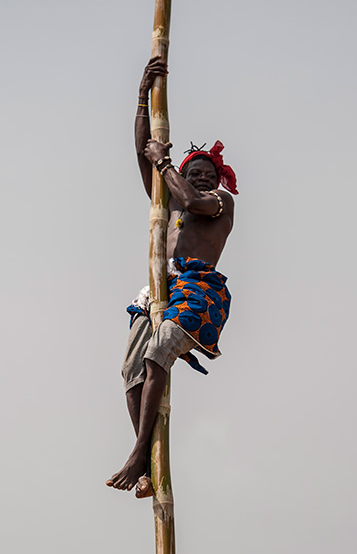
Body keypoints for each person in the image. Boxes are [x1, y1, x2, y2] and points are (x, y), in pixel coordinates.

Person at [106, 56, 238, 498]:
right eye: (194, 173)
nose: (201, 179)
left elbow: (185, 192)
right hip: (161, 289)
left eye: (208, 175)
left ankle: (138, 455)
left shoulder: (217, 202)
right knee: (131, 370)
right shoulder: (172, 198)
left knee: (161, 348)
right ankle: (143, 463)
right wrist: (142, 97)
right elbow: (143, 152)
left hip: (198, 292)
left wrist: (167, 166)